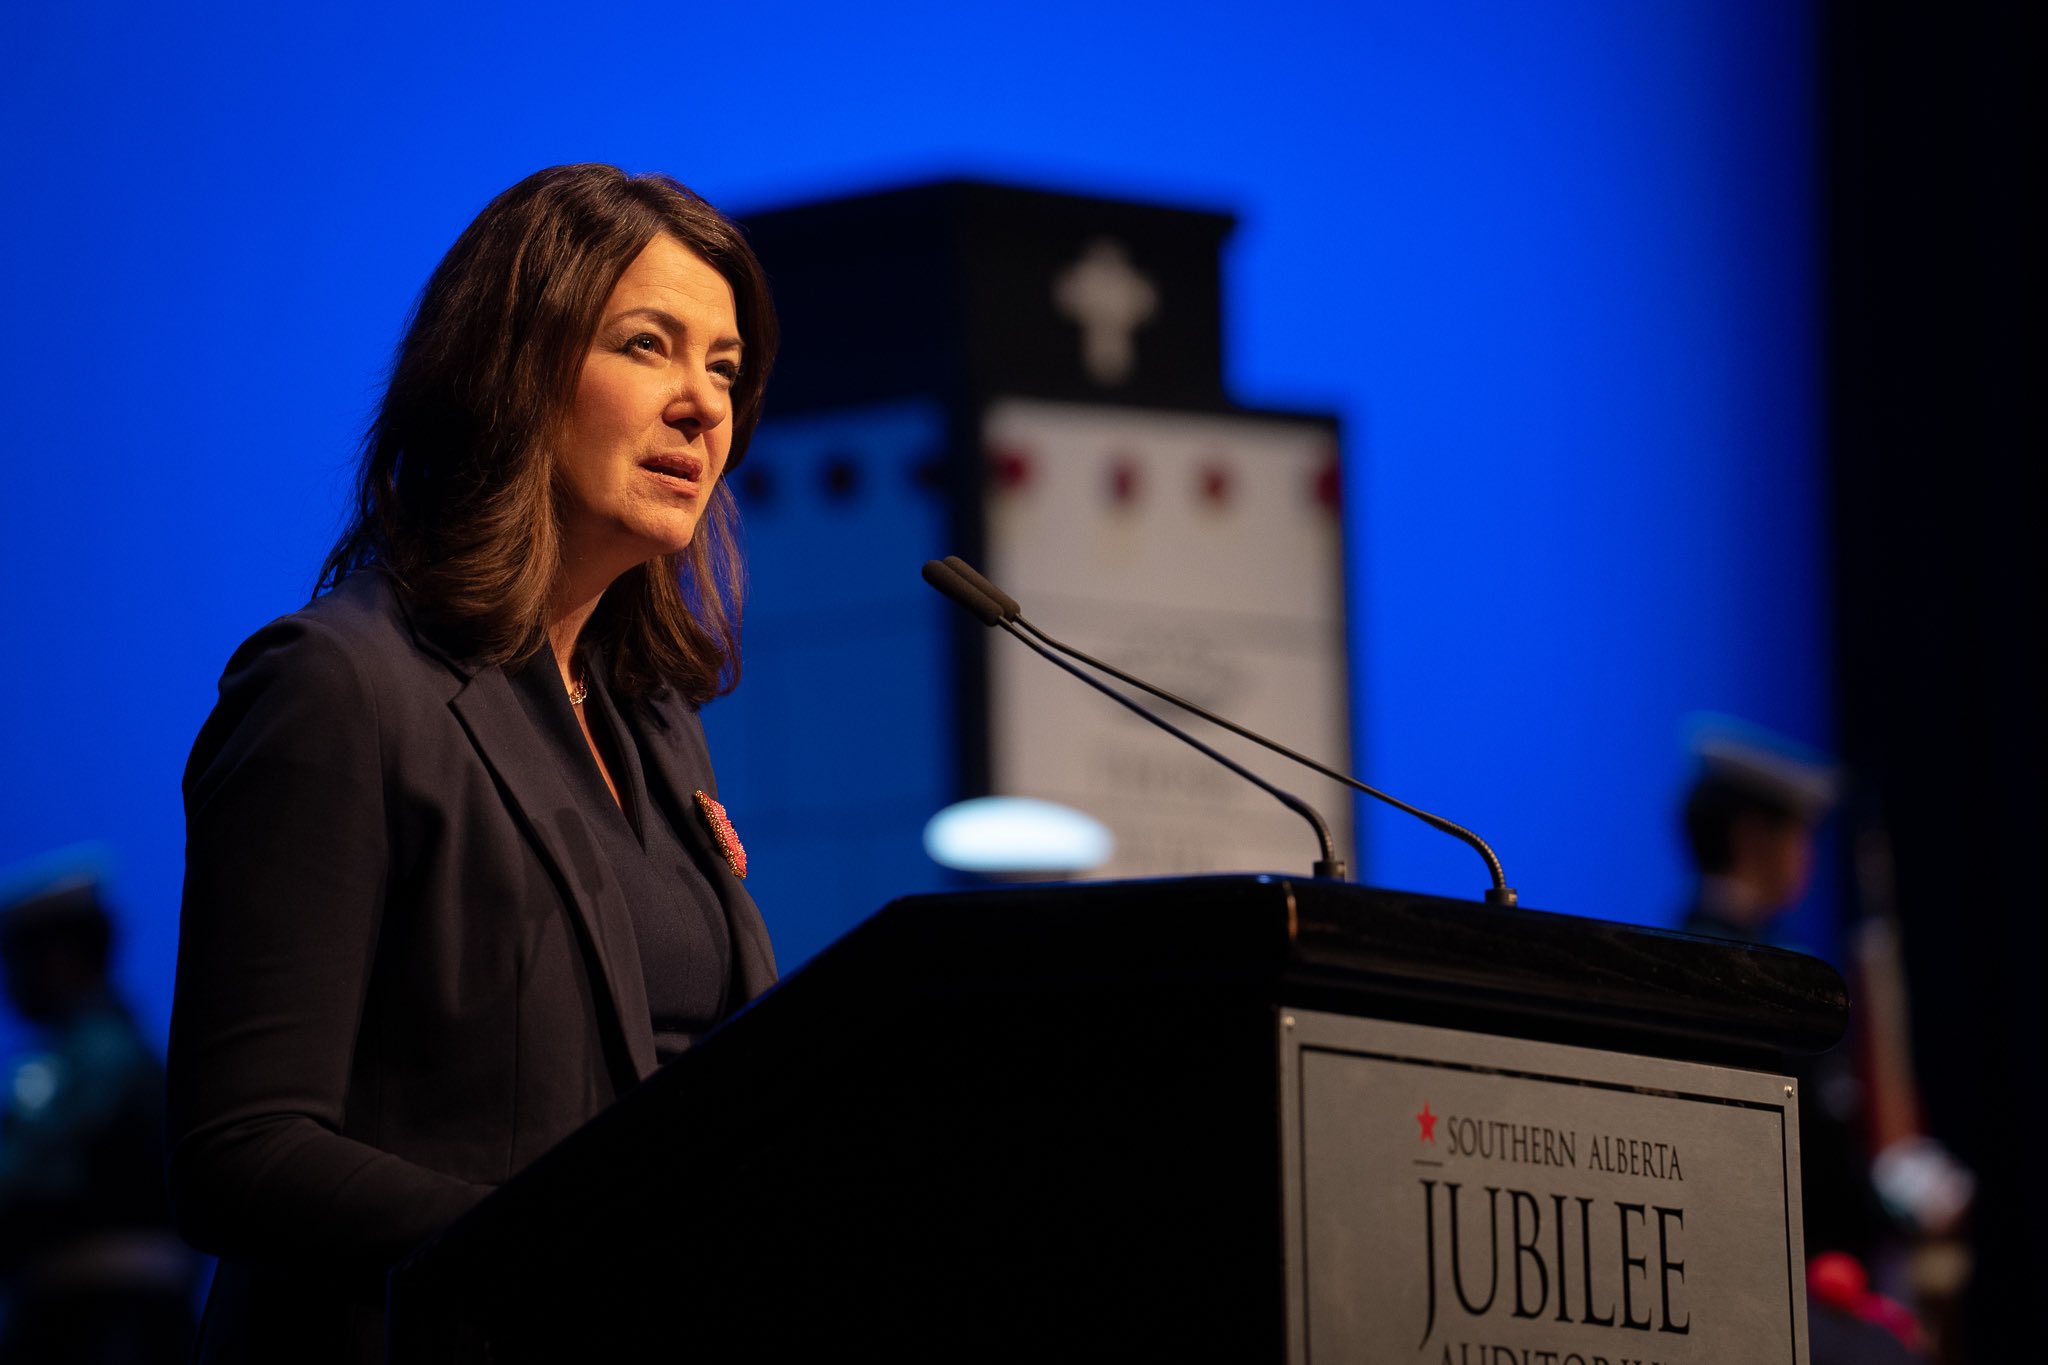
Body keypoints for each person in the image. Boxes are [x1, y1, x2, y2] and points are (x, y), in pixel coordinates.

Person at [166, 164, 779, 1363]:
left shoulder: (652, 722)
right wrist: (580, 1244)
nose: (702, 406)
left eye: (723, 368)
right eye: (648, 345)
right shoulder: (338, 685)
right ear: (512, 368)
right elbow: (240, 1153)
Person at [0, 876, 196, 1363]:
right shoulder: (118, 1050)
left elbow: (22, 1178)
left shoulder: (88, 1061)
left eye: (14, 959)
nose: (8, 981)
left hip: (92, 1328)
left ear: (60, 957)